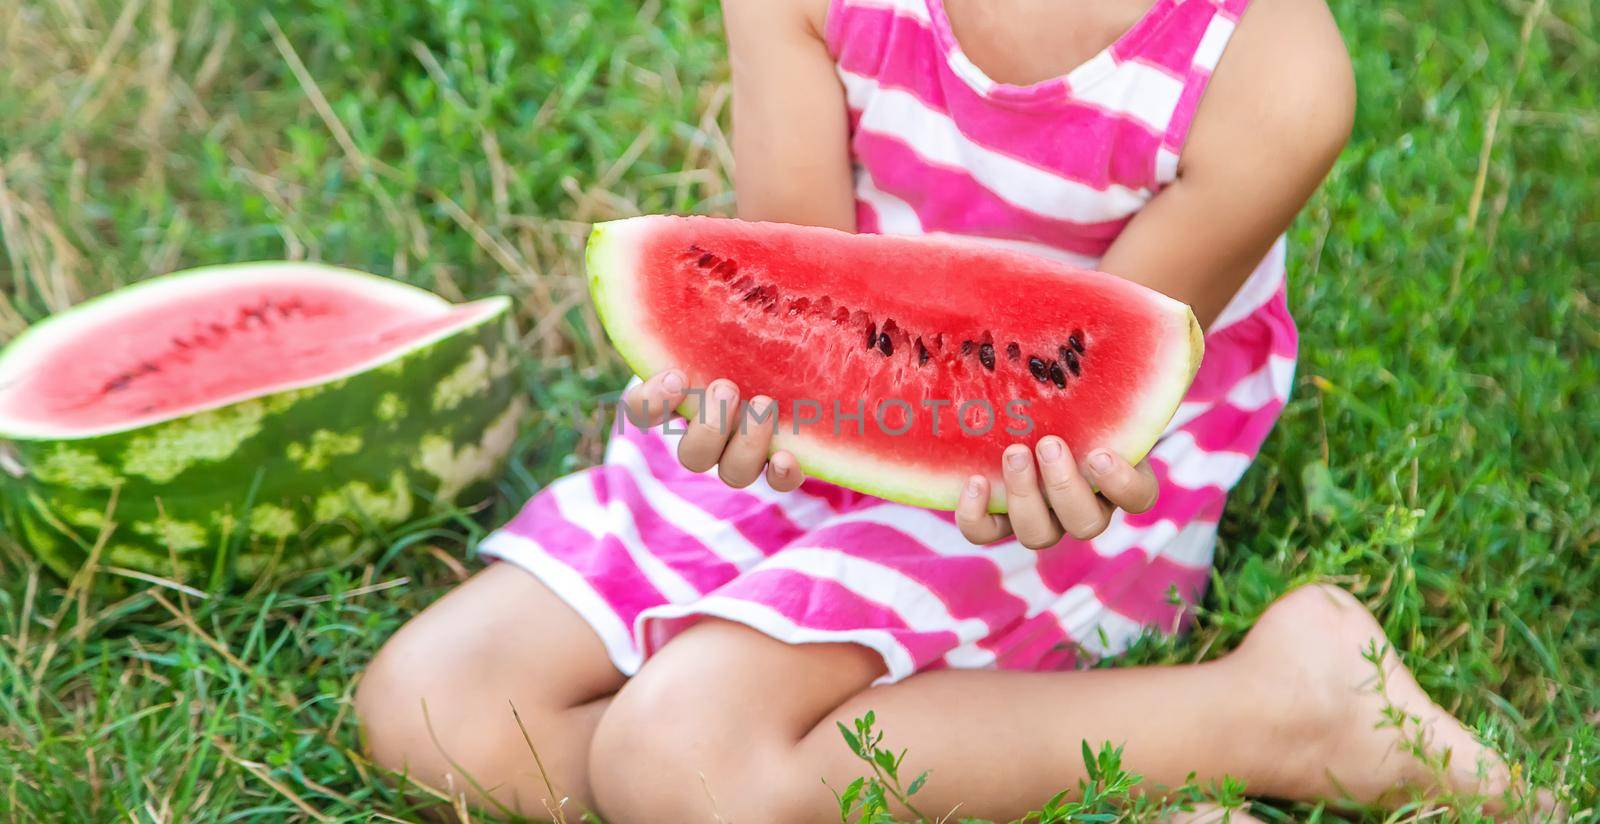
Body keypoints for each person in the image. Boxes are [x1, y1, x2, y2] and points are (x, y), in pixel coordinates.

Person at [355, 0, 1540, 820]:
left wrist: (1044, 465)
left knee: (676, 755)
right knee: (430, 711)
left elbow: (1081, 396)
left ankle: (1270, 707)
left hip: (1063, 502)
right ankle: (978, 783)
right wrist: (748, 398)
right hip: (807, 453)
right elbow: (808, 301)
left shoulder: (1264, 74)